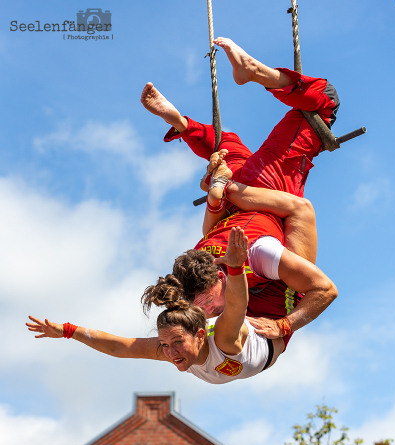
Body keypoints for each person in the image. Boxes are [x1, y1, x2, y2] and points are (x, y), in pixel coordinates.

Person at [141, 37, 339, 339]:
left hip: (265, 187)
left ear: (219, 277)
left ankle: (253, 73)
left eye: (206, 304)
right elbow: (210, 230)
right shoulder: (198, 265)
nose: (208, 311)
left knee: (326, 98)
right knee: (226, 144)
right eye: (202, 309)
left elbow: (322, 286)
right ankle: (179, 121)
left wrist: (225, 189)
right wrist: (216, 194)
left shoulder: (257, 255)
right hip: (239, 195)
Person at [26, 229, 287, 385]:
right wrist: (69, 330)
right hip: (242, 318)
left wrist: (235, 267)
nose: (170, 353)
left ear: (199, 336)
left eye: (175, 343)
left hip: (272, 323)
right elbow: (120, 347)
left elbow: (238, 303)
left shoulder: (225, 337)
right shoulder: (174, 346)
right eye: (164, 345)